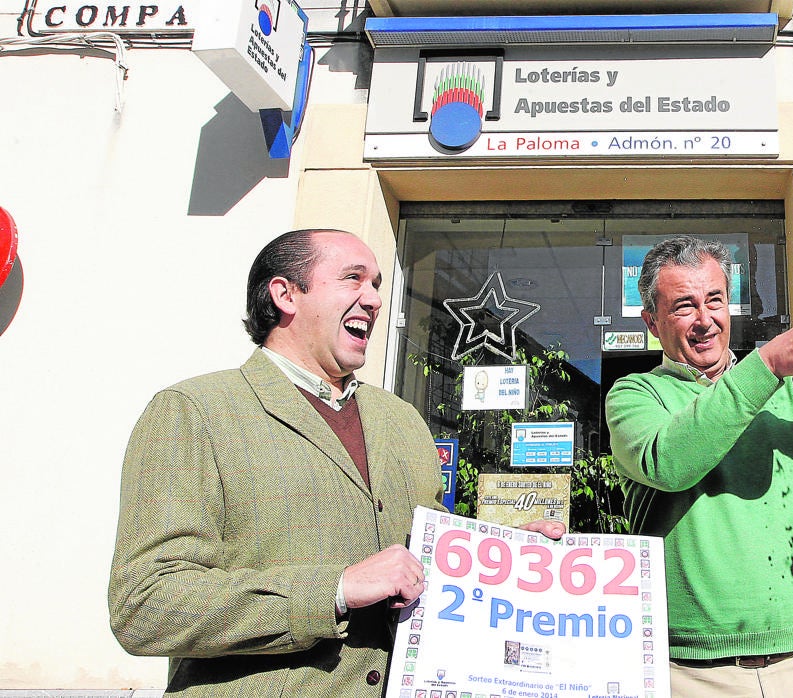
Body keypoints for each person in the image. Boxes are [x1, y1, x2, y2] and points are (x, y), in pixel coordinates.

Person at [108, 229, 563, 697]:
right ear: (285, 294)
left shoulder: (402, 419)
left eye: (377, 285)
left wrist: (497, 560)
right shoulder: (194, 410)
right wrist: (334, 591)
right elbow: (144, 606)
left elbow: (424, 561)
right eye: (353, 279)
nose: (374, 300)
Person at [605, 222, 793, 697]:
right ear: (651, 321)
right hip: (693, 673)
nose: (704, 319)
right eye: (684, 305)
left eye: (715, 300)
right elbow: (669, 462)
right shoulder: (635, 394)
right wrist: (764, 364)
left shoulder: (782, 387)